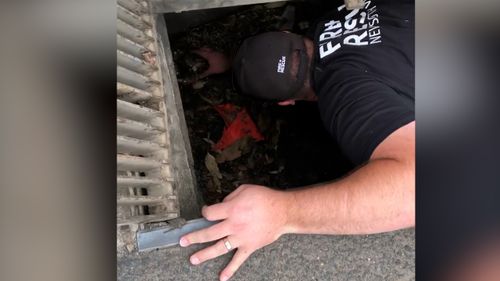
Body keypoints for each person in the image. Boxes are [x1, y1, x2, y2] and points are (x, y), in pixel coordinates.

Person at [180, 1, 415, 280]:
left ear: (286, 102)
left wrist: (282, 212)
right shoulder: (339, 14)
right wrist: (230, 62)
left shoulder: (347, 95)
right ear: (290, 33)